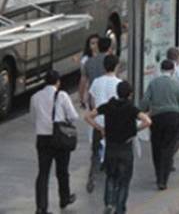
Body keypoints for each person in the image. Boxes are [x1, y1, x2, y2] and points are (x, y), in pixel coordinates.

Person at [84, 81, 151, 214]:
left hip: (110, 148)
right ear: (130, 95)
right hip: (125, 149)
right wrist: (135, 129)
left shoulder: (108, 106)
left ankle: (109, 203)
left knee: (111, 177)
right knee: (124, 181)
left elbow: (88, 116)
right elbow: (147, 121)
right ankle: (119, 209)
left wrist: (101, 128)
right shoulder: (131, 108)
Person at [30, 70, 78, 214]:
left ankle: (41, 207)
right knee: (62, 171)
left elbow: (33, 117)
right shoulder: (62, 95)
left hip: (42, 138)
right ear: (58, 82)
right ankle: (64, 198)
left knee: (43, 173)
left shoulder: (35, 97)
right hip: (60, 138)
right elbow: (73, 116)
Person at [140, 60, 179, 190]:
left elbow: (144, 101)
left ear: (161, 70)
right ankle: (164, 180)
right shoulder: (176, 84)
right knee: (168, 148)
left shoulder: (153, 83)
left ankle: (158, 175)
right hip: (172, 118)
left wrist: (143, 111)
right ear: (173, 70)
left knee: (156, 147)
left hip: (157, 118)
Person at [86, 54, 122, 194]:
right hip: (113, 125)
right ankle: (109, 180)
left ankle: (92, 176)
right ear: (117, 66)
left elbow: (92, 101)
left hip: (98, 123)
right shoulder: (119, 83)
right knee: (112, 154)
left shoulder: (96, 82)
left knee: (95, 152)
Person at [79, 34, 100, 109]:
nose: (95, 45)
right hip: (92, 92)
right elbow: (83, 79)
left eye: (97, 43)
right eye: (92, 43)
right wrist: (81, 97)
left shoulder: (105, 56)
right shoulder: (85, 60)